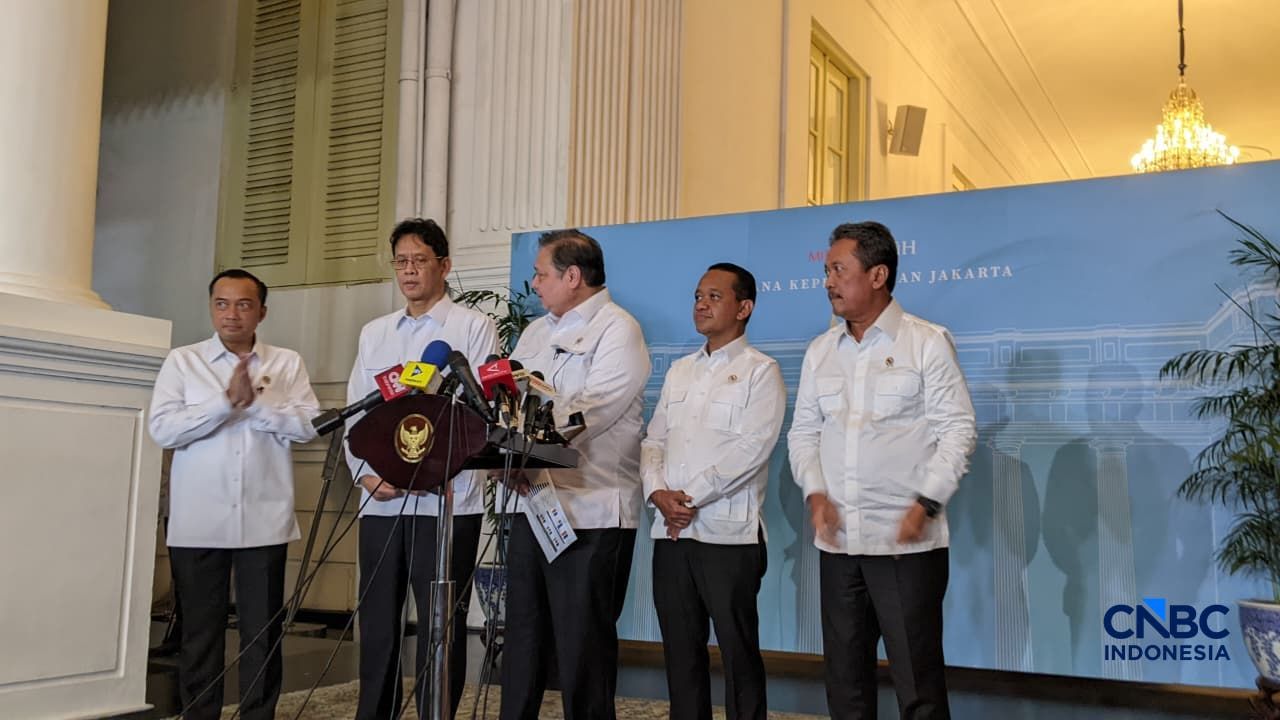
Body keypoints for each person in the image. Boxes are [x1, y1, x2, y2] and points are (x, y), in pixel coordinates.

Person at [788, 221, 976, 720]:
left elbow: (957, 431)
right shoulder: (819, 351)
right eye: (827, 270)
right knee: (845, 681)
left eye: (838, 270)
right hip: (839, 543)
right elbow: (803, 433)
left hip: (905, 545)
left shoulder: (926, 343)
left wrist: (926, 502)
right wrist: (815, 493)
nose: (827, 281)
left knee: (917, 682)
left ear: (878, 275)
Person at [148, 268, 320, 720]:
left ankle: (257, 714)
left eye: (243, 304)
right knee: (200, 635)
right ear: (211, 308)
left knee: (261, 633)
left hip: (265, 519)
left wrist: (256, 405)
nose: (231, 314)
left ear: (261, 312)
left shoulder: (286, 363)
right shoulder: (183, 362)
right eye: (222, 303)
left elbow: (309, 425)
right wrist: (225, 403)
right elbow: (162, 429)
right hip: (198, 520)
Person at [346, 218, 499, 720]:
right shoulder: (376, 333)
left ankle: (438, 714)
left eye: (420, 261)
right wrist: (365, 476)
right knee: (380, 621)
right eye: (402, 262)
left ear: (444, 266)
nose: (409, 271)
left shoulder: (472, 328)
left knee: (440, 626)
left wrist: (425, 473)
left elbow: (478, 415)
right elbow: (356, 412)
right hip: (383, 501)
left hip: (447, 502)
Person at [500, 229, 651, 720]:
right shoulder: (536, 332)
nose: (535, 283)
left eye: (542, 274)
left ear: (572, 276)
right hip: (535, 505)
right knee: (521, 637)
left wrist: (528, 449)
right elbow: (513, 404)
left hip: (593, 512)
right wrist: (508, 452)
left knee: (581, 647)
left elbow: (592, 412)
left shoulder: (618, 329)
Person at [641, 262, 785, 720]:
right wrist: (657, 493)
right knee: (681, 656)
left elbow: (752, 449)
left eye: (714, 296)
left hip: (729, 537)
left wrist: (689, 497)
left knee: (739, 655)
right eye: (698, 296)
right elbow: (653, 440)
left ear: (745, 308)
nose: (701, 304)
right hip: (672, 535)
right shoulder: (680, 371)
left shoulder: (762, 372)